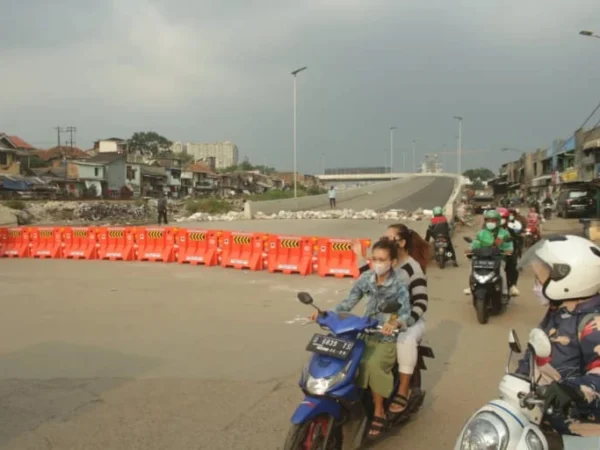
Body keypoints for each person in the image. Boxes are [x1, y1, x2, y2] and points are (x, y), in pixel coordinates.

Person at [310, 238, 411, 438]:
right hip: (363, 330)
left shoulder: (399, 283)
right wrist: (326, 314)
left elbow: (406, 312)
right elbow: (349, 301)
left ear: (392, 262)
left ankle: (379, 410)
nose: (377, 263)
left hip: (384, 334)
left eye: (382, 259)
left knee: (371, 365)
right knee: (344, 362)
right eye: (374, 258)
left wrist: (395, 323)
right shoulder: (366, 278)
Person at [516, 235, 600, 437]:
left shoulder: (591, 324)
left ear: (570, 280)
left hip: (577, 429)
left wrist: (570, 390)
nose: (536, 284)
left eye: (541, 278)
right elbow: (535, 353)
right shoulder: (558, 312)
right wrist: (519, 378)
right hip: (542, 416)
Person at [380, 224, 431, 417]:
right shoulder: (387, 263)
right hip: (383, 318)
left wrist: (404, 322)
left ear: (400, 243)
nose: (383, 241)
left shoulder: (412, 268)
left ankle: (402, 390)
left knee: (405, 341)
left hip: (410, 321)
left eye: (388, 238)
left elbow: (421, 303)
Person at [464, 209, 513, 298]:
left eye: (493, 220)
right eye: (488, 220)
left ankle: (504, 292)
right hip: (482, 258)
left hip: (498, 258)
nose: (490, 222)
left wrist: (508, 250)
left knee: (501, 271)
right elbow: (475, 243)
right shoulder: (481, 233)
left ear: (498, 221)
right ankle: (471, 286)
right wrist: (470, 249)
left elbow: (509, 244)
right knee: (472, 266)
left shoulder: (504, 233)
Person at [498, 207, 520, 297]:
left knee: (513, 264)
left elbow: (513, 241)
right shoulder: (486, 229)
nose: (500, 221)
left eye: (503, 219)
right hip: (489, 254)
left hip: (505, 253)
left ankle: (511, 286)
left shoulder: (510, 230)